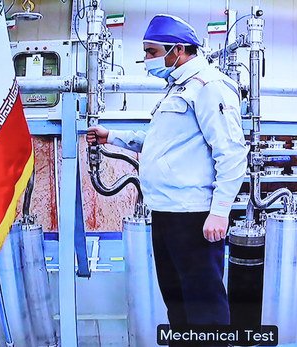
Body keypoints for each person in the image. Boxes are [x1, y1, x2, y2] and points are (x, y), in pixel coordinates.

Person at [87, 14, 248, 328]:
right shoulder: (176, 89)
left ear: (178, 50)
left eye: (152, 51)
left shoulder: (209, 86)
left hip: (195, 216)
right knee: (177, 305)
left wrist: (220, 211)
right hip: (165, 213)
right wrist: (114, 137)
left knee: (205, 309)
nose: (147, 59)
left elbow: (231, 152)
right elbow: (163, 144)